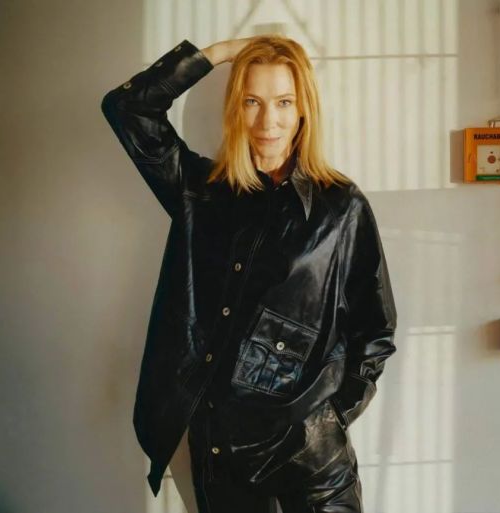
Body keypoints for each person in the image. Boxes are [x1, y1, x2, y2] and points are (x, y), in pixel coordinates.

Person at [100, 34, 397, 513]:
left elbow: (375, 328)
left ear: (304, 109)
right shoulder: (200, 191)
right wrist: (218, 53)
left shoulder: (341, 207)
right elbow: (127, 108)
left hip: (311, 456)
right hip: (222, 449)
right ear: (235, 108)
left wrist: (331, 417)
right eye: (251, 101)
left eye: (283, 102)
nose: (267, 121)